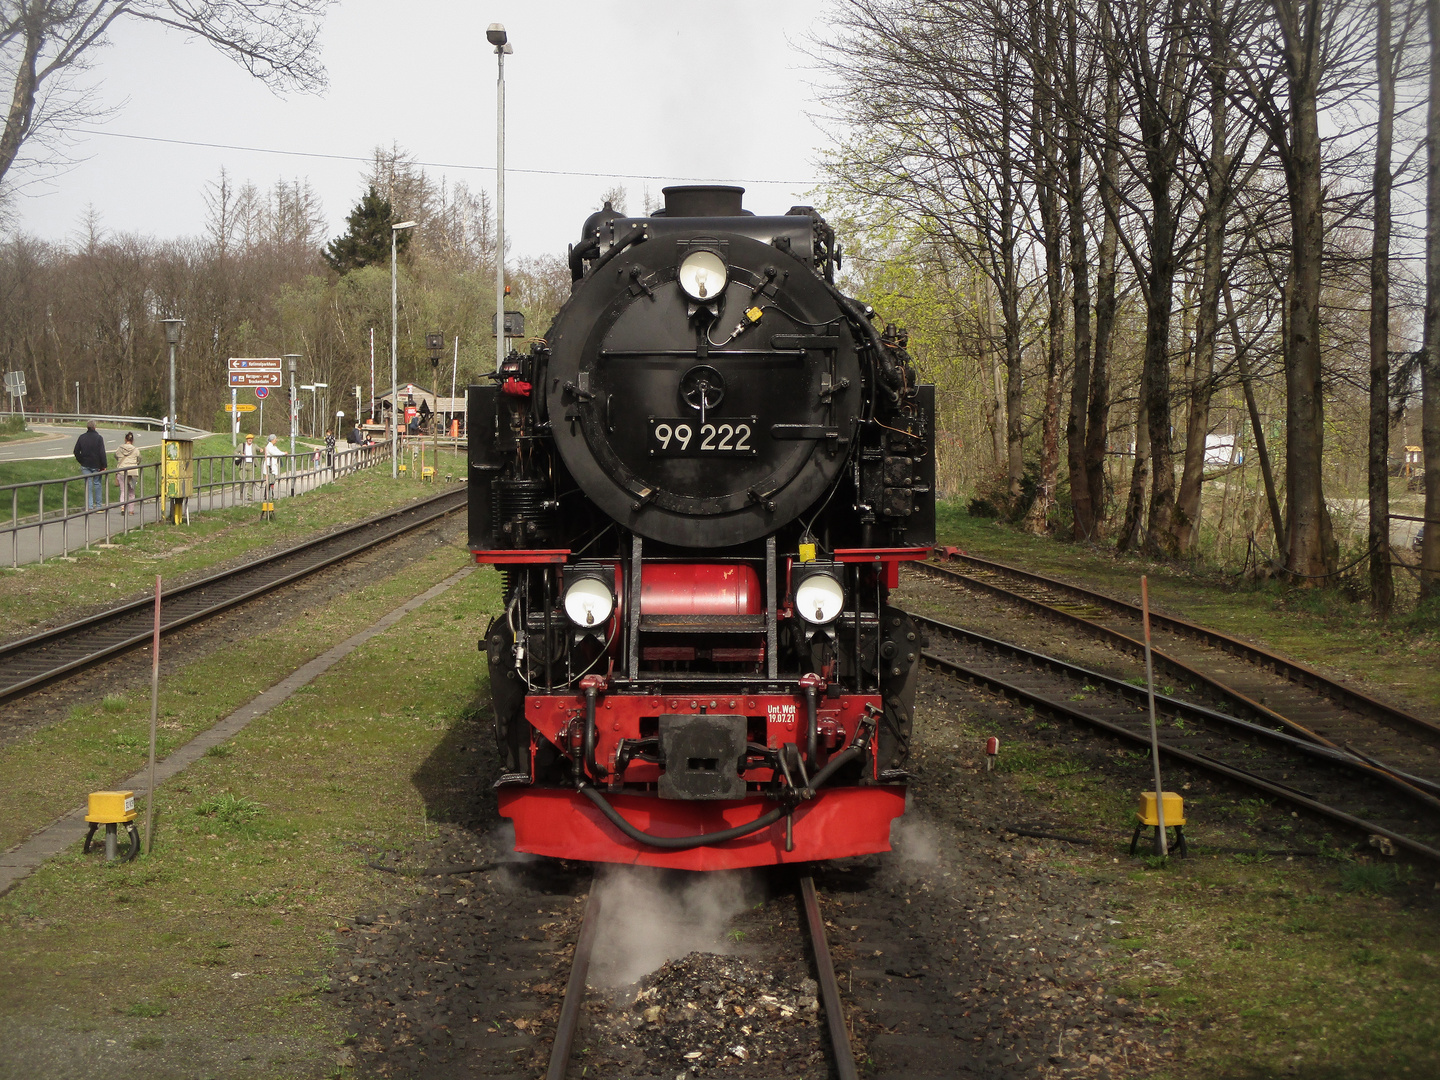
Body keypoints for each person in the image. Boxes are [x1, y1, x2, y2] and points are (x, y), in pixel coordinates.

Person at [73, 420, 107, 510]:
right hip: (96, 465)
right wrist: (104, 465)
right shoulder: (99, 438)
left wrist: (81, 460)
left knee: (88, 485)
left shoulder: (82, 437)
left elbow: (76, 451)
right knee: (97, 484)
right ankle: (99, 505)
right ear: (95, 427)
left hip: (85, 464)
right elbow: (102, 453)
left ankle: (90, 506)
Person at [114, 431, 140, 513]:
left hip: (121, 471)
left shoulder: (120, 448)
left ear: (125, 439)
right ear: (132, 440)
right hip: (132, 473)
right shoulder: (136, 450)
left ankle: (122, 507)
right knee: (131, 492)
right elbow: (139, 459)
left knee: (123, 491)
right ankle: (131, 510)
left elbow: (116, 456)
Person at [240, 433, 257, 501]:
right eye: (249, 439)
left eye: (251, 439)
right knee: (242, 480)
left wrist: (261, 450)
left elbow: (259, 449)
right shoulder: (242, 445)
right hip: (244, 464)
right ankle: (241, 493)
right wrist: (241, 454)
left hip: (251, 464)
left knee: (251, 480)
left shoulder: (254, 446)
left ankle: (249, 495)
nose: (250, 440)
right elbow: (235, 452)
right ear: (247, 439)